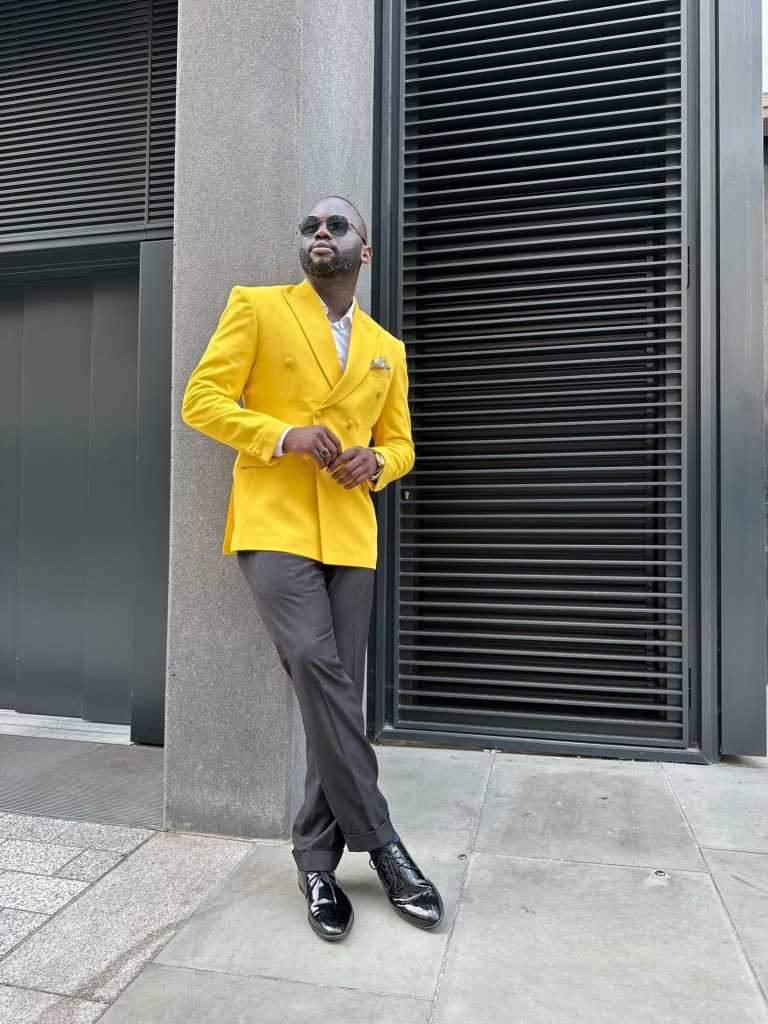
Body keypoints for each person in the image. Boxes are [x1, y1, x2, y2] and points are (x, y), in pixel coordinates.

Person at [182, 196, 443, 941]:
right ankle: (385, 845)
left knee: (335, 695)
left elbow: (403, 445)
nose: (320, 232)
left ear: (365, 251)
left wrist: (378, 462)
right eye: (309, 226)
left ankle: (316, 863)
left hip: (350, 533)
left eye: (336, 225)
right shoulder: (257, 307)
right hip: (274, 520)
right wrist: (282, 434)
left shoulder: (386, 347)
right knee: (314, 664)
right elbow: (201, 400)